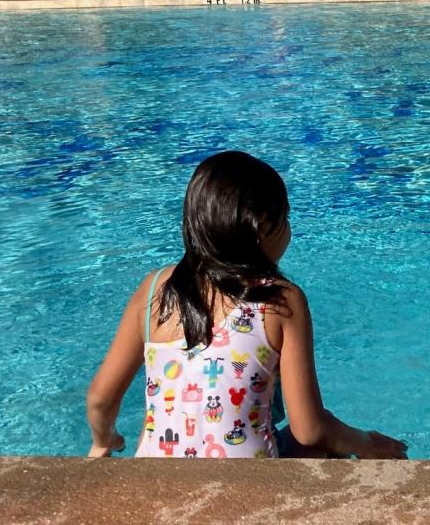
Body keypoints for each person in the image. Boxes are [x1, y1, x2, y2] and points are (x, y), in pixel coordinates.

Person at [87, 150, 408, 460]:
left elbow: (100, 399)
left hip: (158, 484)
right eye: (287, 218)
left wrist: (105, 441)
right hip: (247, 490)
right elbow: (309, 428)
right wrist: (367, 444)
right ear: (264, 225)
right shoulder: (280, 301)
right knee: (325, 443)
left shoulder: (155, 289)